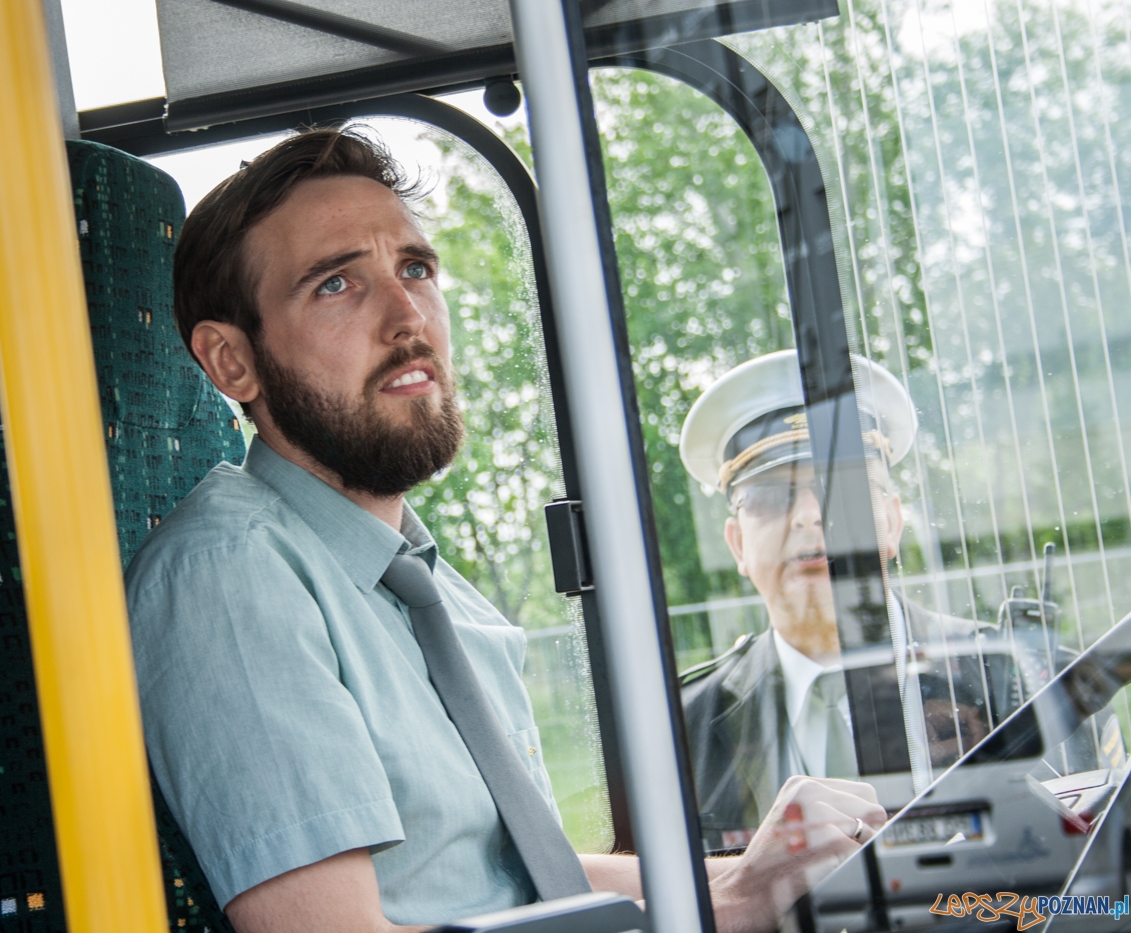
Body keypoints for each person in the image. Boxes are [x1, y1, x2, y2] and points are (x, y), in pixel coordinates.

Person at [124, 128, 886, 933]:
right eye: (337, 284)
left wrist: (754, 871)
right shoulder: (231, 575)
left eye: (415, 269)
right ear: (232, 362)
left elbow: (517, 874)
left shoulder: (424, 583)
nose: (408, 316)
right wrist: (724, 908)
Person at [677, 350, 1008, 853]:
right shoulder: (682, 729)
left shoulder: (1007, 678)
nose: (811, 516)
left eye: (843, 489)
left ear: (892, 523)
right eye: (770, 497)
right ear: (737, 545)